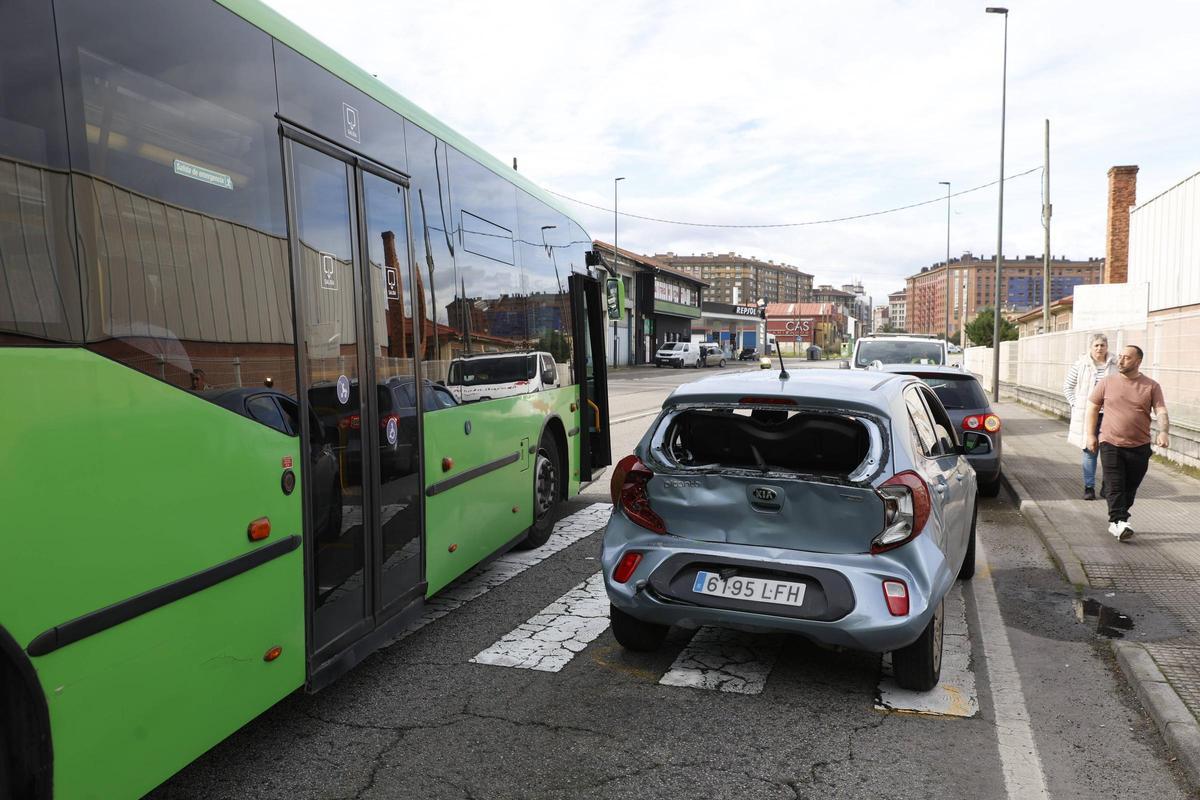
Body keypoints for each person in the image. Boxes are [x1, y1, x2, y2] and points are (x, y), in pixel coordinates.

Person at [1084, 345, 1169, 542]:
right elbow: (1092, 407)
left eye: (1126, 358)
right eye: (1120, 357)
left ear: (1138, 361)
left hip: (1139, 446)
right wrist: (1090, 435)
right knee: (1115, 485)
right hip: (1110, 442)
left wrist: (1163, 431)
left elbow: (1161, 410)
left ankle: (1118, 520)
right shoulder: (1107, 382)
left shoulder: (1151, 386)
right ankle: (1120, 522)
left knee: (1129, 488)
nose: (1120, 361)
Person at [1063, 334, 1117, 500]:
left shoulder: (1115, 365)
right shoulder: (1081, 365)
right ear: (1091, 348)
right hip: (1089, 415)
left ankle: (1106, 487)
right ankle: (1089, 487)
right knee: (1089, 451)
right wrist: (1076, 404)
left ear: (1107, 346)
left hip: (1110, 416)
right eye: (1096, 345)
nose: (1099, 348)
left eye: (1102, 345)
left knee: (1110, 453)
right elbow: (1067, 387)